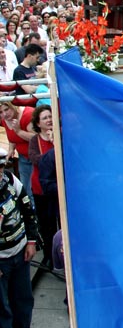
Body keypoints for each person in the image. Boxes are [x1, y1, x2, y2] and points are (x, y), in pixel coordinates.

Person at [0, 147, 46, 328]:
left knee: (23, 298)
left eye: (1, 167)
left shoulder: (10, 181)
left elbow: (28, 209)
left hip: (19, 252)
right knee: (2, 308)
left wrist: (31, 241)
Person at [28, 105, 56, 267]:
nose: (49, 120)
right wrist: (52, 152)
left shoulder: (60, 136)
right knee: (46, 224)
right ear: (38, 123)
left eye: (50, 116)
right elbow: (36, 160)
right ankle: (49, 256)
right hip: (41, 189)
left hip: (58, 188)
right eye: (45, 118)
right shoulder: (34, 140)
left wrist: (54, 141)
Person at [0, 101, 35, 195]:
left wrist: (19, 131)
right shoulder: (5, 119)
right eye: (1, 112)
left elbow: (37, 138)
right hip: (23, 157)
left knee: (33, 190)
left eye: (6, 109)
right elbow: (12, 137)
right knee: (24, 189)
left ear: (13, 106)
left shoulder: (28, 114)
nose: (4, 114)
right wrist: (11, 149)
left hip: (37, 157)